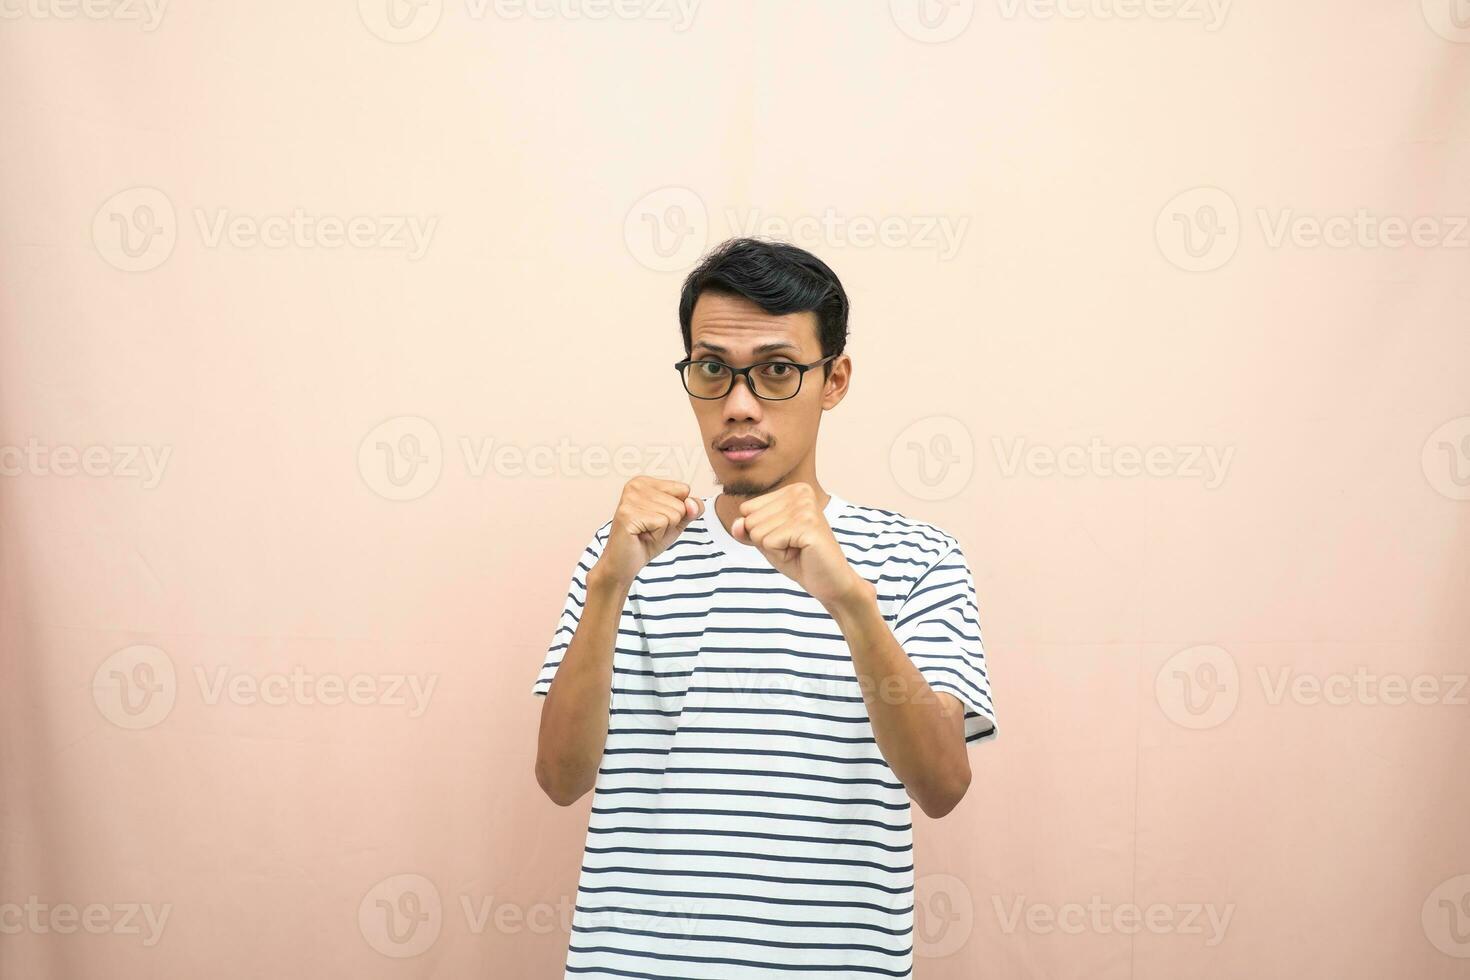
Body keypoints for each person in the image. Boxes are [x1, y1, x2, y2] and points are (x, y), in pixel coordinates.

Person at [531, 237, 997, 978]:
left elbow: (943, 785)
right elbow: (559, 778)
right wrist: (608, 587)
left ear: (834, 379)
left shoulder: (919, 557)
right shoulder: (623, 553)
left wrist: (849, 601)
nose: (739, 405)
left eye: (777, 371)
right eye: (713, 369)